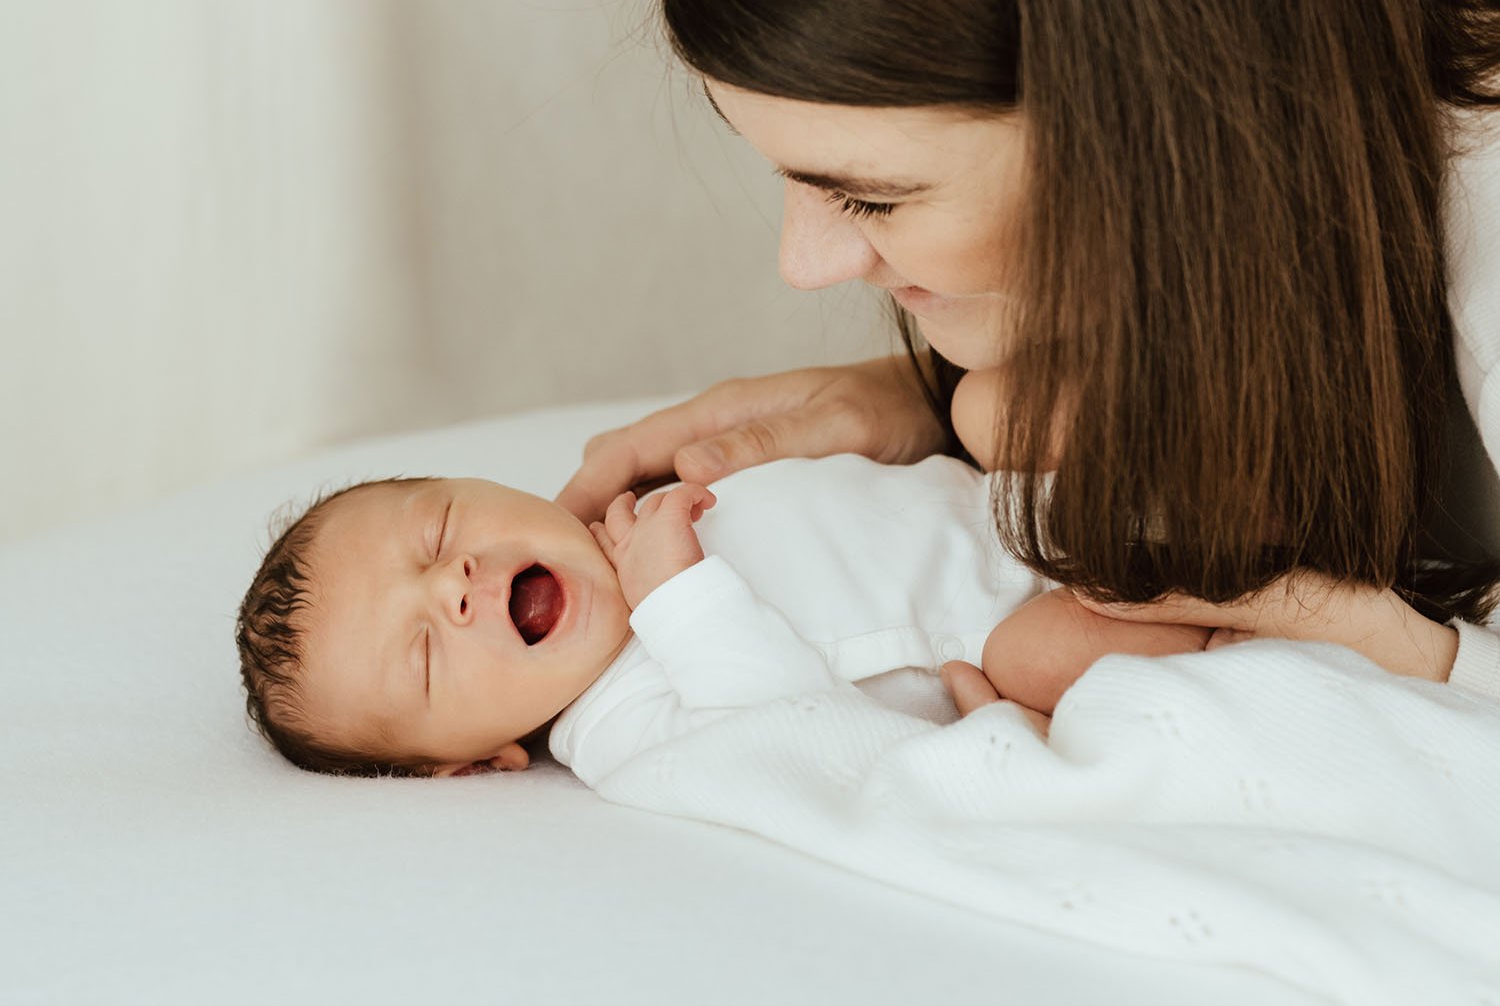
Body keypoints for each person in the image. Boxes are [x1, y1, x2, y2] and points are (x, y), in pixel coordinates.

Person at [558, 0, 1500, 709]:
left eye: (873, 198)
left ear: (1167, 109)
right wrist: (909, 399)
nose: (806, 266)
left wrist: (1399, 659)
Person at [233, 433, 1238, 781]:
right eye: (423, 657)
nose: (451, 588)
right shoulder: (616, 726)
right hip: (997, 629)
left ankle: (1307, 541)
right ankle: (1268, 632)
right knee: (1050, 653)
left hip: (1006, 506)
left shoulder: (632, 512)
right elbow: (781, 737)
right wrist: (673, 594)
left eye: (440, 530)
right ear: (473, 762)